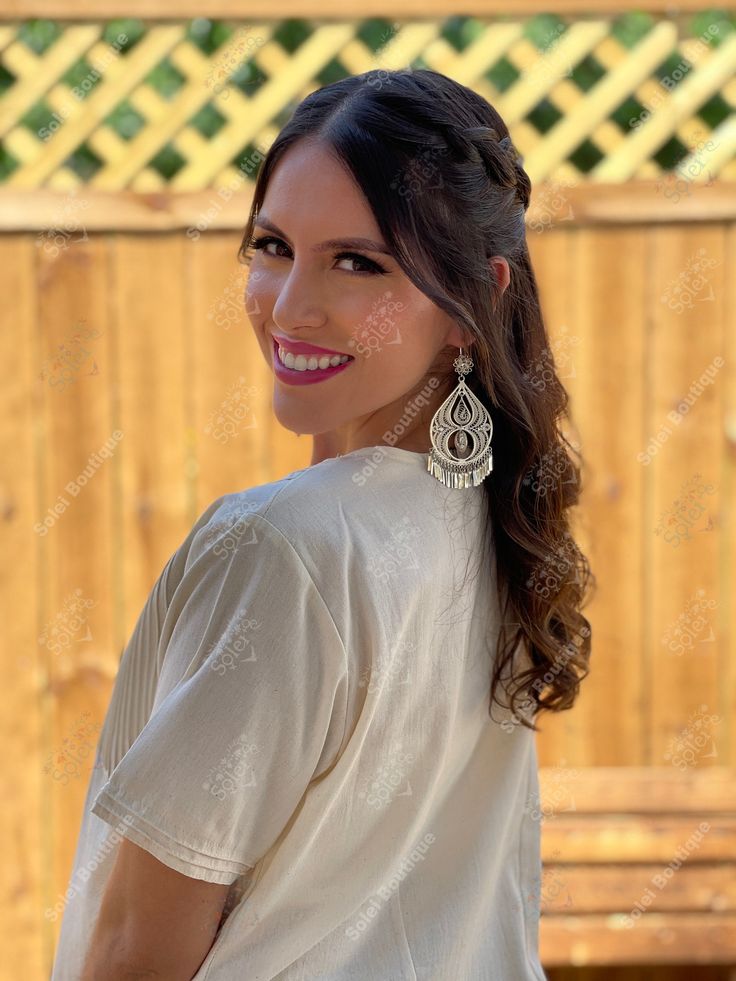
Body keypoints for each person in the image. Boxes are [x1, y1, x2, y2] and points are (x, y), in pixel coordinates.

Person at [51, 67, 593, 980]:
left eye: (358, 262)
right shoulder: (486, 527)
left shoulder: (283, 547)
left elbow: (133, 952)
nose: (289, 304)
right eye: (272, 245)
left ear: (474, 304)